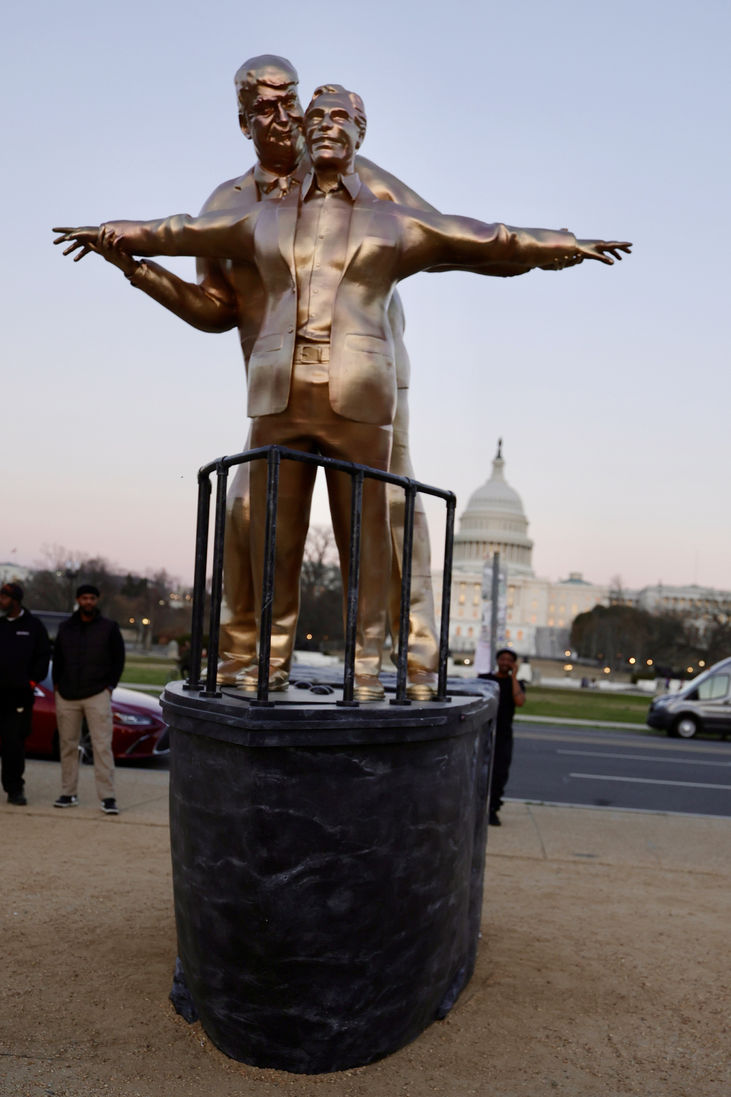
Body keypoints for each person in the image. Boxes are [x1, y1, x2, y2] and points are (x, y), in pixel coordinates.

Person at [54, 85, 631, 698]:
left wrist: (563, 244)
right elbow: (180, 231)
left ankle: (366, 669)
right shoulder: (257, 213)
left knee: (369, 539)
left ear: (360, 133)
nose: (321, 125)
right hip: (279, 389)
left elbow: (486, 238)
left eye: (339, 117)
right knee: (269, 533)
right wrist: (119, 239)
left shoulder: (392, 216)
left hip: (361, 391)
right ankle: (264, 666)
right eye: (316, 117)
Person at [54, 55, 441, 699]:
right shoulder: (228, 203)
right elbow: (216, 310)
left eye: (290, 100)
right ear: (243, 121)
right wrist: (137, 268)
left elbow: (435, 234)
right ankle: (251, 660)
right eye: (265, 106)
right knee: (246, 512)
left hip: (365, 375)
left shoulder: (358, 173)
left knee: (389, 507)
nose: (284, 117)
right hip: (277, 391)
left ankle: (415, 658)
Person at [52, 584, 125, 814]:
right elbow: (58, 660)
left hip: (97, 694)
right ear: (77, 600)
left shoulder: (109, 627)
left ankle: (108, 797)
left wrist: (110, 687)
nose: (88, 602)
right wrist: (57, 687)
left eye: (92, 598)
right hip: (67, 695)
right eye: (84, 598)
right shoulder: (65, 628)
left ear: (97, 600)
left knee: (102, 746)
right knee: (67, 746)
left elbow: (118, 659)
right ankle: (68, 793)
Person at [0, 582, 51, 805]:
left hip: (18, 698)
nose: (1, 601)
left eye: (4, 597)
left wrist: (30, 681)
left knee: (14, 745)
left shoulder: (34, 626)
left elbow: (43, 657)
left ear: (16, 601)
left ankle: (14, 789)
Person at [479, 648, 526, 825]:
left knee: (499, 774)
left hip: (504, 734)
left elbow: (520, 702)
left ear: (513, 664)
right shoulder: (486, 680)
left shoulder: (516, 683)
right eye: (502, 659)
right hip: (485, 731)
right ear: (497, 660)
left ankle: (493, 809)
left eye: (509, 660)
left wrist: (514, 677)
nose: (505, 663)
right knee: (480, 772)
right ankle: (478, 807)